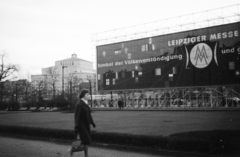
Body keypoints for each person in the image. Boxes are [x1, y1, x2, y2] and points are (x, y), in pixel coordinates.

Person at [73, 89, 96, 157]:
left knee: (84, 141)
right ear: (83, 95)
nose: (89, 96)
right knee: (86, 141)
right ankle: (86, 155)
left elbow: (88, 114)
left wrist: (92, 122)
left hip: (86, 125)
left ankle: (74, 150)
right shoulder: (79, 104)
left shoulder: (85, 103)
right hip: (82, 126)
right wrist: (77, 128)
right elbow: (77, 117)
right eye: (87, 95)